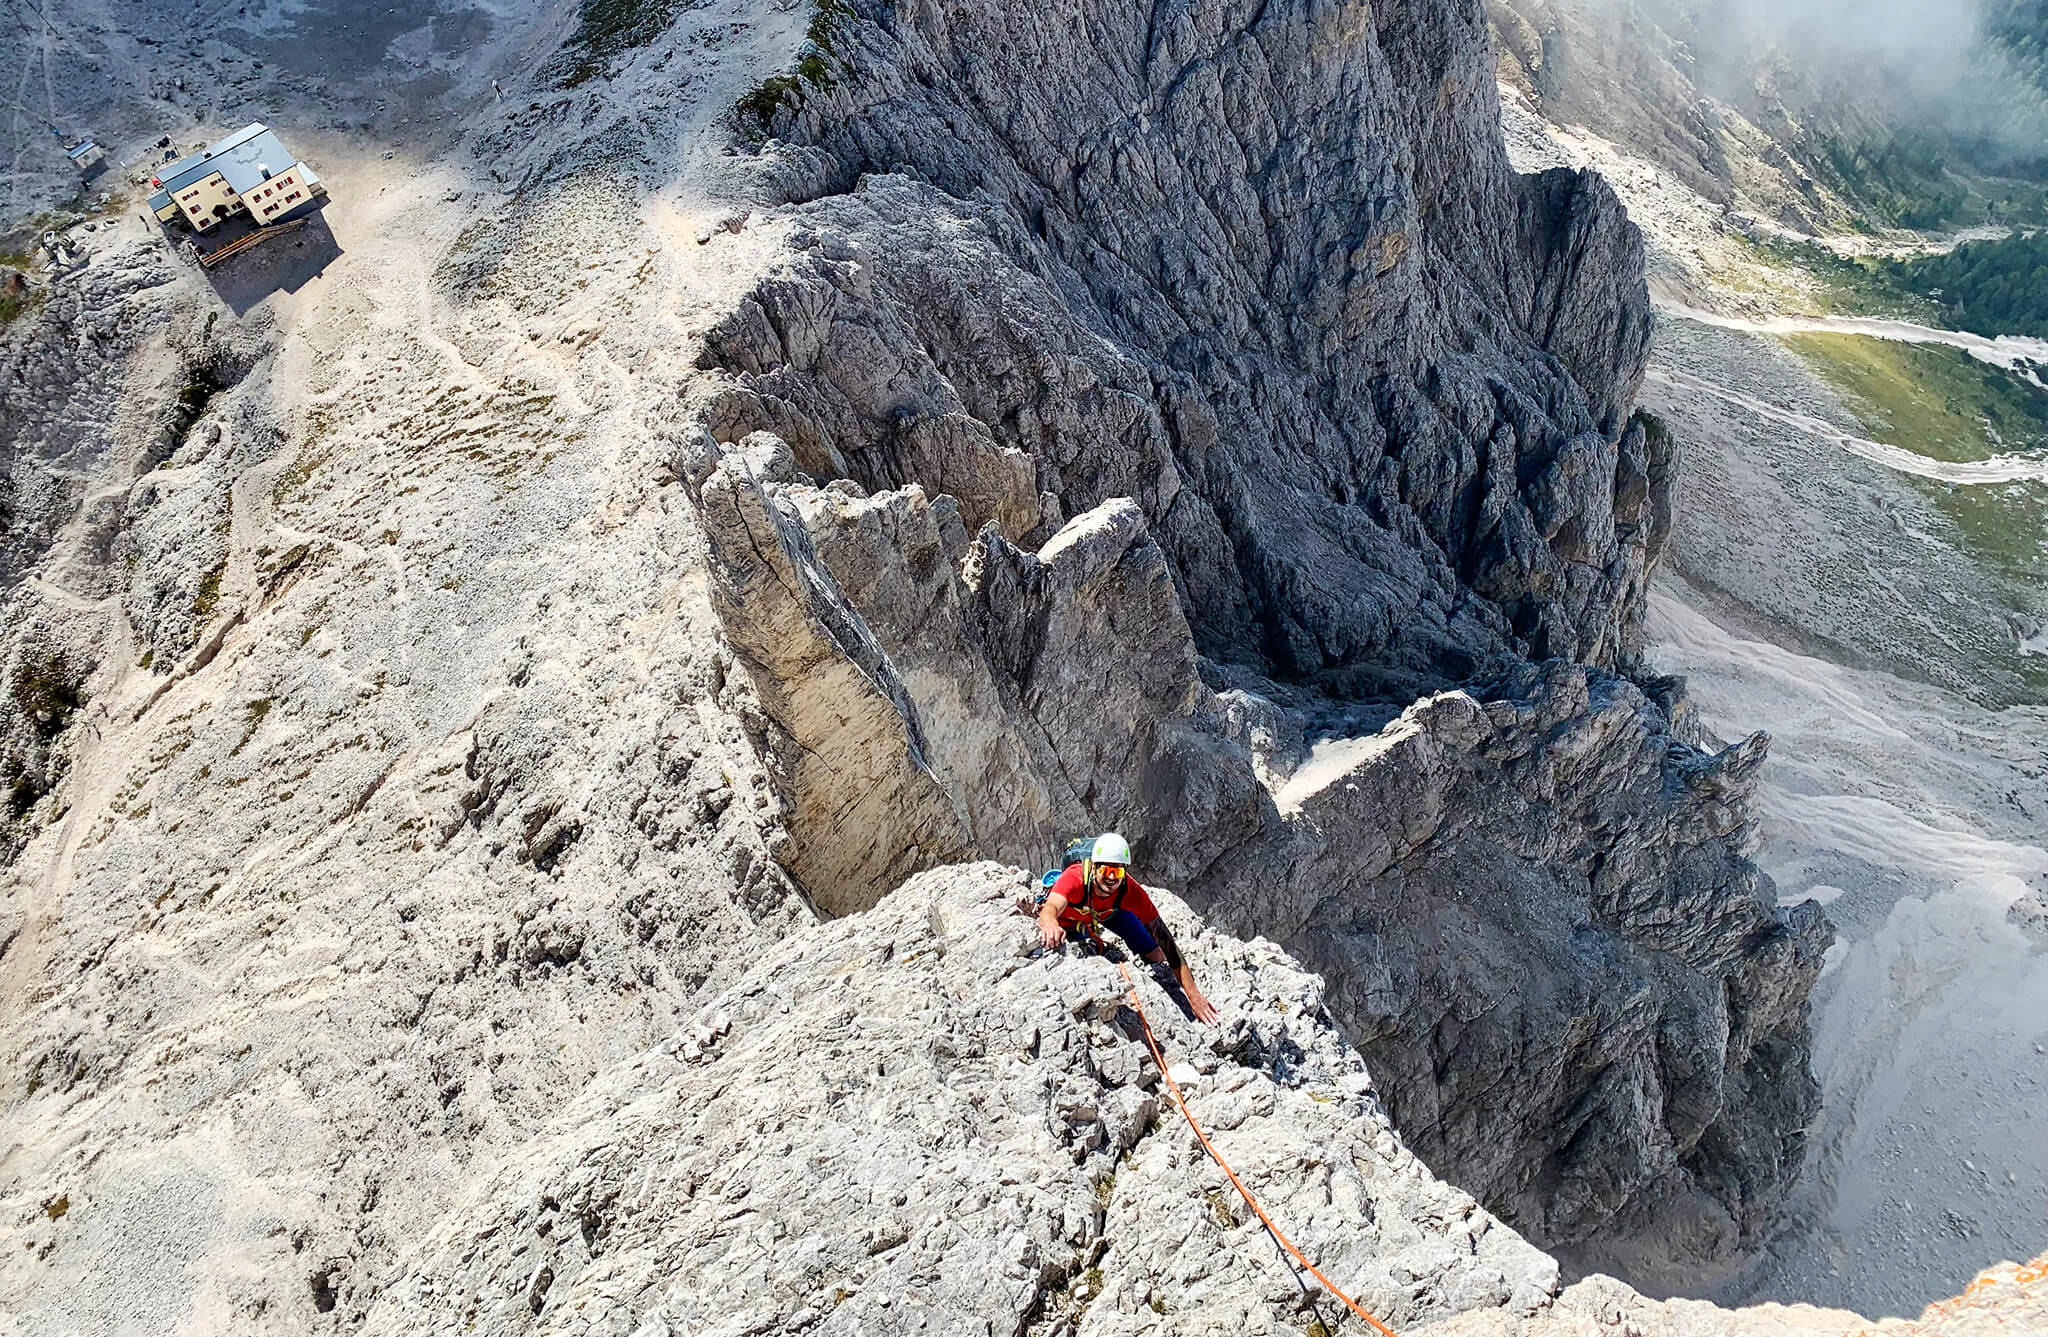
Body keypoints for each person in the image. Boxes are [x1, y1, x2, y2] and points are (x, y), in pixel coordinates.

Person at [1038, 833, 1220, 1025]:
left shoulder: (1131, 892)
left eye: (1117, 872)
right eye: (1106, 870)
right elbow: (1051, 908)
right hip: (1073, 918)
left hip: (1109, 913)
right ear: (1093, 866)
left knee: (1157, 955)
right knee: (1082, 946)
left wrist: (1193, 995)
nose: (1110, 877)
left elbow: (1166, 941)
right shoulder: (1074, 877)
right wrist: (1051, 924)